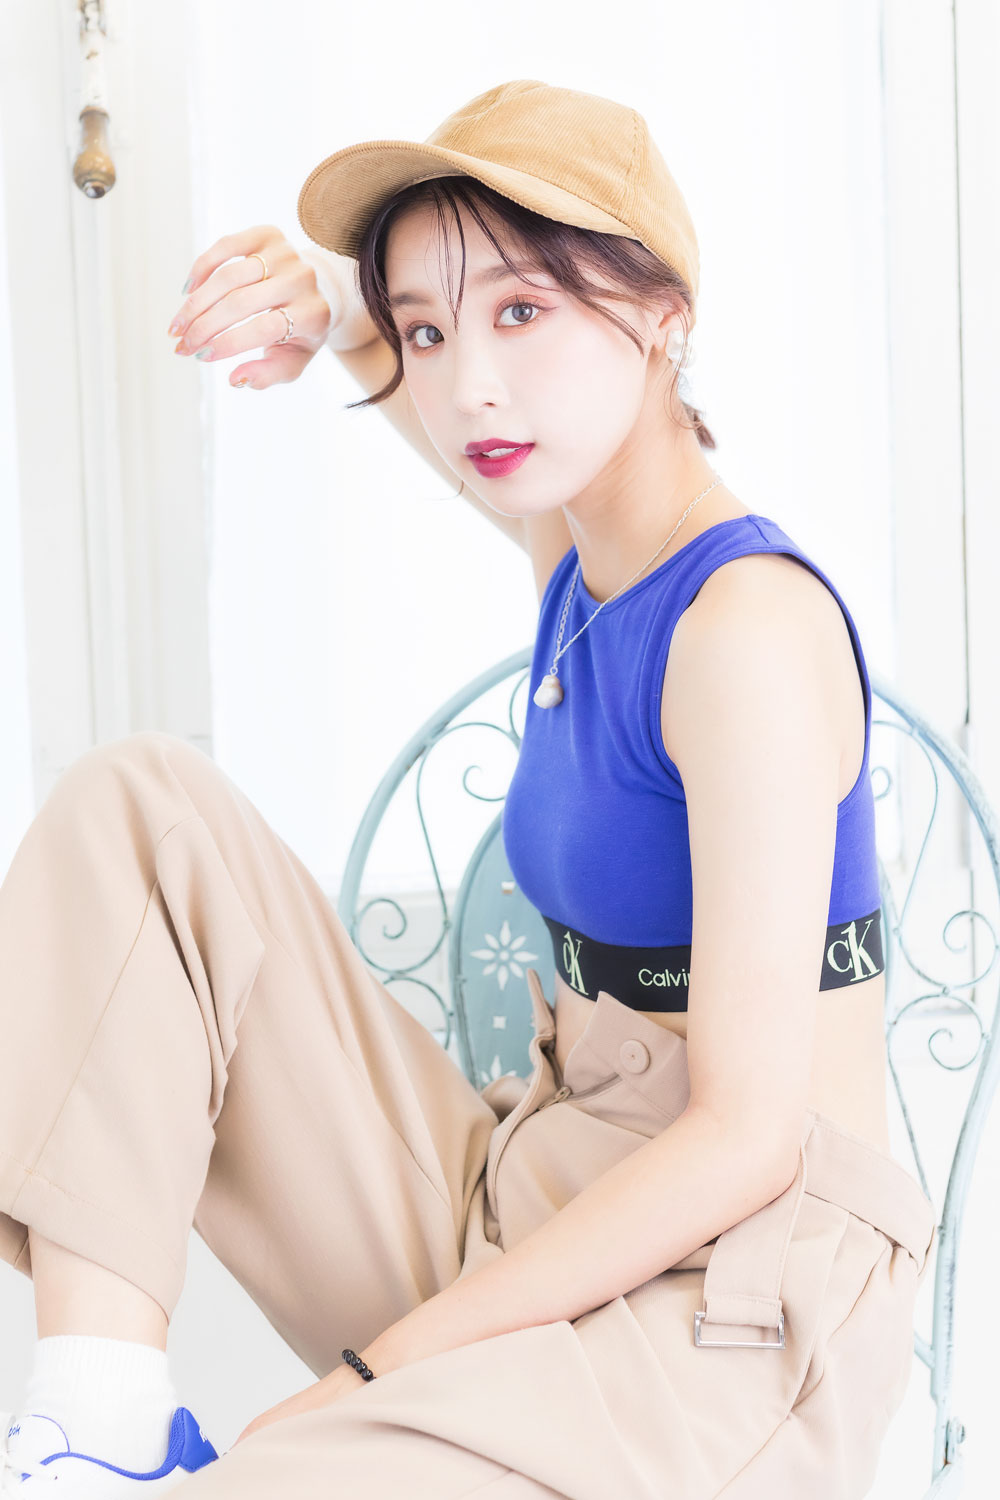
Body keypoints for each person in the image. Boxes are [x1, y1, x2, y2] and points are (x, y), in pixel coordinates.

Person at [0, 79, 935, 1499]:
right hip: (542, 1186)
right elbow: (391, 353)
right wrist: (333, 296)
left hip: (732, 1294)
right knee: (143, 810)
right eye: (432, 332)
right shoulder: (578, 552)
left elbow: (747, 1137)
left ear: (664, 314)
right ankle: (94, 1428)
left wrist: (376, 1373)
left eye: (524, 311)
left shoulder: (745, 626)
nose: (467, 387)